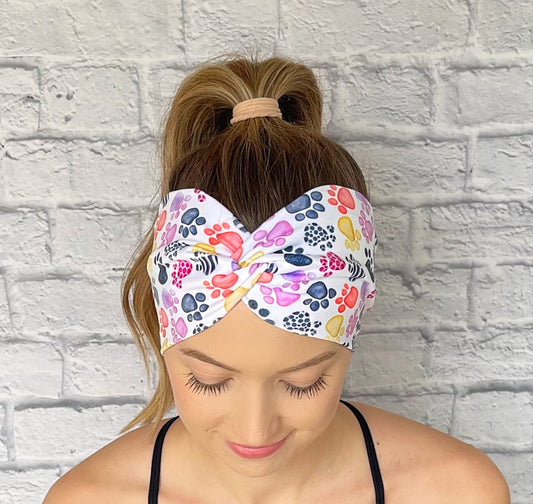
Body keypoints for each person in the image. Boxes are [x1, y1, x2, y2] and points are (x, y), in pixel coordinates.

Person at [43, 53, 510, 504]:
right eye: (207, 379)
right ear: (166, 333)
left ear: (355, 323)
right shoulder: (87, 499)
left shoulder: (456, 493)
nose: (255, 430)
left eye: (305, 382)